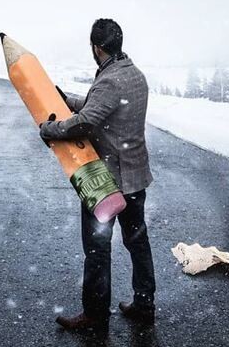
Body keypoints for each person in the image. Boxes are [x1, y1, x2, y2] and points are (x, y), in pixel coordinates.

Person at [39, 18, 156, 328]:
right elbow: (101, 108)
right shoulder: (134, 75)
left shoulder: (109, 80)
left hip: (107, 182)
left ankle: (94, 315)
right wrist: (66, 99)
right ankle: (145, 304)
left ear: (96, 47)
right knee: (137, 241)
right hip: (135, 178)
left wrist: (50, 129)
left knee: (97, 248)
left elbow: (85, 122)